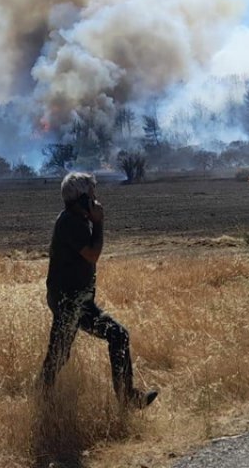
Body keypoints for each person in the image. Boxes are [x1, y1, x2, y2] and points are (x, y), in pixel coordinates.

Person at [40, 171, 157, 409]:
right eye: (92, 196)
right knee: (114, 337)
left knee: (60, 355)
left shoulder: (75, 219)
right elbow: (92, 255)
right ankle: (126, 399)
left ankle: (42, 400)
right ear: (80, 199)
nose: (96, 201)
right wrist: (99, 223)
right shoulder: (71, 223)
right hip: (70, 300)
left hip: (76, 299)